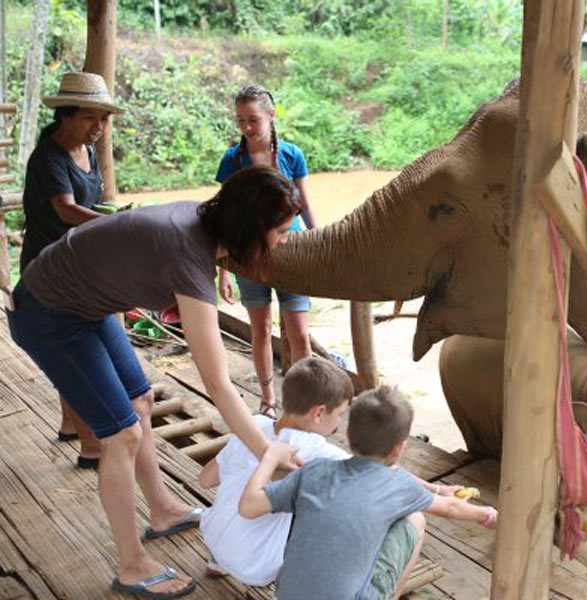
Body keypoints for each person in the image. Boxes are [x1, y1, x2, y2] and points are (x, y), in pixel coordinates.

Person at [6, 166, 303, 599]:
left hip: (84, 301)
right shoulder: (188, 256)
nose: (283, 241)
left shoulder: (203, 223)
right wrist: (266, 451)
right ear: (250, 231)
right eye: (280, 232)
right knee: (121, 434)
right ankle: (130, 565)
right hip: (49, 313)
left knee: (140, 399)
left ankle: (162, 509)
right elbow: (217, 383)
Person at [240, 385, 499, 600]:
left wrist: (270, 457)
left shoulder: (313, 472)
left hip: (287, 595)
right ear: (400, 448)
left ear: (349, 434)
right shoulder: (398, 485)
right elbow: (451, 508)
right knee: (415, 519)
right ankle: (391, 594)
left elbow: (248, 507)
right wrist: (488, 515)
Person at [19, 72, 119, 468]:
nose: (97, 128)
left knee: (68, 350)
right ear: (64, 116)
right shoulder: (49, 157)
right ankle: (92, 445)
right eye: (88, 118)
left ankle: (69, 424)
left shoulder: (87, 151)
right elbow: (66, 209)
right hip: (50, 272)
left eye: (103, 119)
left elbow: (89, 203)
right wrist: (114, 225)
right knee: (75, 350)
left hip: (76, 265)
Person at [198, 357, 352, 585]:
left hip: (212, 537)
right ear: (318, 413)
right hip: (255, 567)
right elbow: (371, 469)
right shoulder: (314, 448)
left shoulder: (254, 425)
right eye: (340, 413)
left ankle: (219, 562)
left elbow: (205, 480)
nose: (340, 422)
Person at [215, 84, 317, 418]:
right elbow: (224, 215)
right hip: (248, 255)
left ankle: (299, 402)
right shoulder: (232, 160)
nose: (246, 128)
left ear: (271, 117)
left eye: (253, 120)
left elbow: (303, 204)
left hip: (292, 251)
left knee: (299, 333)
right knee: (259, 330)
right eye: (240, 120)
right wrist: (224, 269)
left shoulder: (291, 154)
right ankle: (268, 398)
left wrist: (320, 243)